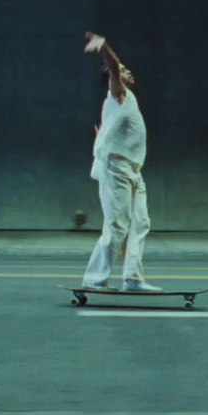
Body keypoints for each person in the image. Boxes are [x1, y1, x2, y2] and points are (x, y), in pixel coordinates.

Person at [80, 31, 159, 292]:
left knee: (140, 224)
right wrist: (103, 45)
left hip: (134, 172)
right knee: (117, 227)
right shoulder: (118, 94)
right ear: (115, 79)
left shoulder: (126, 103)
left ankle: (133, 278)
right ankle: (94, 279)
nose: (128, 71)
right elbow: (113, 66)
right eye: (123, 70)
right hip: (118, 171)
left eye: (126, 69)